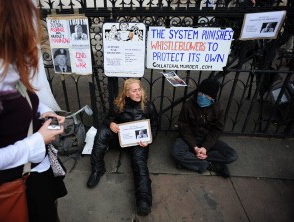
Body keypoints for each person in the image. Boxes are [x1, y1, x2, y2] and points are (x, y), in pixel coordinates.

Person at [0, 1, 67, 221]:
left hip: (36, 171)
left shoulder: (2, 64)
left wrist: (43, 112)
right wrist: (38, 141)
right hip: (20, 182)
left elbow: (26, 99)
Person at [87, 78, 158, 216]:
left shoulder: (148, 106)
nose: (138, 93)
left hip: (138, 143)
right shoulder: (119, 105)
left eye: (139, 90)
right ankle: (97, 169)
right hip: (121, 139)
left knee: (139, 164)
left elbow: (155, 126)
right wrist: (111, 123)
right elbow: (108, 118)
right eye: (134, 90)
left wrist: (149, 140)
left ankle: (143, 199)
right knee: (102, 132)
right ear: (126, 93)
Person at [171, 78, 238, 178]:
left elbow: (217, 130)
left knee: (231, 155)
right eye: (200, 93)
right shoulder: (189, 105)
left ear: (212, 97)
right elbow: (183, 127)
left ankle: (189, 161)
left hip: (206, 139)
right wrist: (194, 147)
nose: (202, 97)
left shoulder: (218, 108)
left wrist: (205, 148)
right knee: (176, 153)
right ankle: (210, 165)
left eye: (206, 95)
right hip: (189, 139)